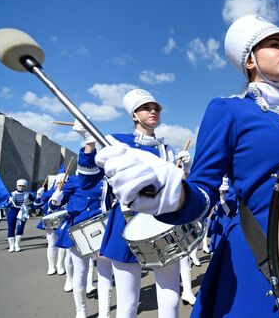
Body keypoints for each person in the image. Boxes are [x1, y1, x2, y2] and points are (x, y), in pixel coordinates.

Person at [95, 15, 279, 316]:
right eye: (275, 45)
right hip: (259, 251)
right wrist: (174, 194)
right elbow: (203, 191)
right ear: (250, 61)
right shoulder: (229, 110)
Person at [76, 89, 195, 318]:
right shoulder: (116, 141)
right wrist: (89, 143)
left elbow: (176, 190)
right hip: (127, 222)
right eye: (145, 108)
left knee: (170, 299)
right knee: (128, 302)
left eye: (156, 108)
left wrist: (185, 171)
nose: (153, 111)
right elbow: (87, 181)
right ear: (133, 115)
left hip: (163, 223)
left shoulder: (166, 149)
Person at [49, 166, 112, 318]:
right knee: (81, 272)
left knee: (105, 272)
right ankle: (81, 311)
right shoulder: (73, 181)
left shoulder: (105, 181)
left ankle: (105, 313)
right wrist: (55, 198)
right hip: (78, 231)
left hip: (101, 229)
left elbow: (112, 202)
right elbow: (53, 207)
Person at [5, 179, 35, 252]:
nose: (21, 187)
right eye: (19, 186)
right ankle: (11, 246)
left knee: (20, 228)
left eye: (22, 186)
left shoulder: (28, 194)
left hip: (23, 212)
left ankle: (17, 244)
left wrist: (30, 206)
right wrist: (9, 203)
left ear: (25, 187)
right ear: (17, 186)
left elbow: (34, 203)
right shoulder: (11, 194)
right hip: (13, 211)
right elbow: (5, 204)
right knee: (11, 228)